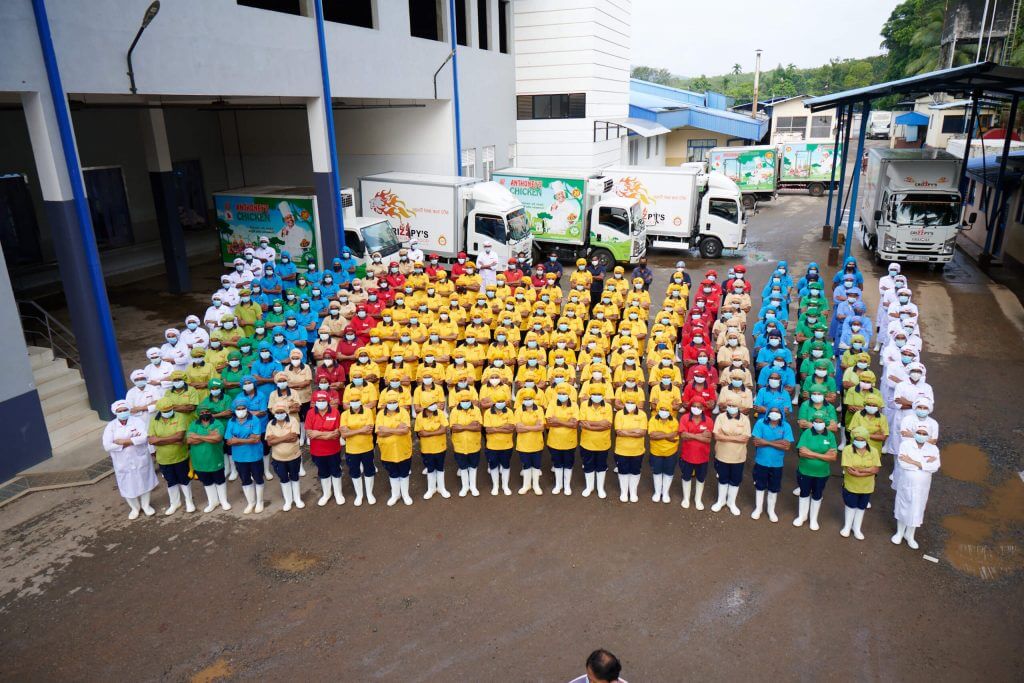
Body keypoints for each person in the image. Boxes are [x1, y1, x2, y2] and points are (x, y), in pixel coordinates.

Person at [102, 400, 158, 519]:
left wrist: (123, 442)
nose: (123, 412)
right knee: (127, 484)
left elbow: (143, 438)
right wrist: (131, 442)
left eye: (124, 410)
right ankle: (134, 508)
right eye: (120, 411)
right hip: (122, 462)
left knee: (144, 481)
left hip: (140, 458)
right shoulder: (111, 426)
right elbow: (107, 445)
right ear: (115, 412)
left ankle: (146, 505)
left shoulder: (137, 421)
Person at [892, 425, 941, 549]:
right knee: (903, 506)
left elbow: (935, 467)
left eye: (924, 433)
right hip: (906, 484)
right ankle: (899, 532)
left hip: (922, 487)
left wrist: (913, 461)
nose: (921, 435)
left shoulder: (933, 449)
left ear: (929, 435)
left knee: (917, 508)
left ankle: (910, 535)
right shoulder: (906, 445)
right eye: (919, 432)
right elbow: (903, 463)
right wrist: (924, 465)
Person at [147, 396, 193, 515]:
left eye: (169, 410)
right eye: (165, 411)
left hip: (180, 456)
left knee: (184, 479)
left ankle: (189, 501)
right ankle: (175, 503)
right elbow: (151, 440)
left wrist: (160, 440)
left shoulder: (179, 417)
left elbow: (180, 437)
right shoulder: (153, 420)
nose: (168, 413)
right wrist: (172, 440)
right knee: (171, 481)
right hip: (163, 459)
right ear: (159, 411)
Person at [793, 410, 837, 531]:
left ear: (825, 423)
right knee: (804, 493)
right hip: (805, 471)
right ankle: (802, 516)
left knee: (817, 495)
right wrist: (823, 456)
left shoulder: (830, 435)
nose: (818, 423)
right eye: (816, 421)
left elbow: (833, 457)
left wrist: (811, 453)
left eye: (821, 421)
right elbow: (802, 452)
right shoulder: (807, 433)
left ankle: (813, 519)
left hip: (822, 473)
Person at [750, 407, 793, 522]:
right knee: (760, 486)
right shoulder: (760, 423)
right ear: (768, 413)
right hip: (761, 461)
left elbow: (787, 446)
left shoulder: (786, 426)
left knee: (773, 488)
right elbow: (756, 442)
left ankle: (771, 510)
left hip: (777, 464)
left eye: (777, 412)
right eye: (772, 411)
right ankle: (758, 509)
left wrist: (766, 442)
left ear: (781, 414)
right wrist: (778, 442)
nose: (774, 414)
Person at [224, 396, 266, 514]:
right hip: (239, 457)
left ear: (247, 408)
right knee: (245, 480)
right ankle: (251, 502)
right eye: (238, 408)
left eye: (243, 408)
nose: (241, 410)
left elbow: (256, 439)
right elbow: (228, 441)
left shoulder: (254, 420)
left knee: (258, 478)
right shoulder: (231, 422)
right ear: (235, 409)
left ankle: (260, 502)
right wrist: (248, 439)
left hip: (254, 455)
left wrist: (237, 440)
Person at [186, 405, 231, 513]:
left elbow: (217, 438)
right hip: (199, 461)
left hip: (215, 458)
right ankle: (213, 502)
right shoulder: (193, 424)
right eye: (201, 413)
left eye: (206, 412)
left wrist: (197, 436)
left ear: (210, 413)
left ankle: (223, 501)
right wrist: (208, 436)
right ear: (198, 414)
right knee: (207, 482)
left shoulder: (217, 423)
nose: (204, 414)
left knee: (220, 480)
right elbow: (189, 441)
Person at [839, 426, 881, 540]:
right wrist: (868, 470)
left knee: (861, 507)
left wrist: (860, 472)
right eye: (857, 439)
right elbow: (850, 470)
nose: (859, 442)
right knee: (850, 505)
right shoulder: (847, 450)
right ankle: (847, 526)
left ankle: (857, 528)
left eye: (862, 440)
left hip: (867, 487)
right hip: (851, 485)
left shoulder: (874, 451)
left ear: (867, 439)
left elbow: (876, 469)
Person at [711, 396, 751, 516]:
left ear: (739, 407)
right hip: (722, 454)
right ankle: (721, 501)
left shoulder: (745, 419)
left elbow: (745, 439)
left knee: (735, 480)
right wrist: (736, 438)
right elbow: (717, 436)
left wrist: (726, 436)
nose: (732, 408)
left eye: (734, 406)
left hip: (738, 456)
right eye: (730, 406)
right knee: (722, 478)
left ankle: (731, 502)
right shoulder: (720, 417)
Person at [306, 390, 344, 506]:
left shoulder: (335, 413)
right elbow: (309, 433)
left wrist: (318, 433)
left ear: (328, 401)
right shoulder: (310, 413)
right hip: (317, 451)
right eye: (318, 401)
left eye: (323, 400)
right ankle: (327, 493)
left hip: (333, 449)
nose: (321, 402)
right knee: (323, 472)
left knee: (336, 471)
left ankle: (338, 493)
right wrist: (327, 435)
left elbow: (337, 433)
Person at [339, 396, 378, 506]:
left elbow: (369, 431)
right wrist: (361, 429)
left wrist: (351, 431)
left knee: (369, 470)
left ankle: (369, 494)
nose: (355, 403)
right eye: (352, 401)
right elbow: (344, 434)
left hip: (367, 448)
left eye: (357, 400)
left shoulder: (368, 411)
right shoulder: (344, 414)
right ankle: (359, 495)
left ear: (361, 401)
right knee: (354, 472)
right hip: (352, 449)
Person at [265, 401, 304, 511]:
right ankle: (288, 500)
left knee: (295, 477)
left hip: (294, 456)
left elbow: (294, 438)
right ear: (273, 412)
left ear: (286, 411)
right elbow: (269, 442)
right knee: (284, 479)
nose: (280, 413)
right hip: (278, 458)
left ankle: (297, 499)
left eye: (282, 411)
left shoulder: (293, 420)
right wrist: (285, 437)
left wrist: (276, 439)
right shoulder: (270, 424)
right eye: (277, 412)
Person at [375, 399, 414, 506]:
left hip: (403, 449)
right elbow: (379, 433)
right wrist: (397, 429)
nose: (392, 404)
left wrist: (387, 429)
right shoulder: (380, 415)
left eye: (394, 402)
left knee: (404, 473)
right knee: (393, 474)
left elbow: (405, 430)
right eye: (390, 402)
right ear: (386, 403)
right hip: (388, 451)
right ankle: (395, 495)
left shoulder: (404, 412)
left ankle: (405, 494)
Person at [678, 403, 713, 509]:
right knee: (686, 476)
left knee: (701, 478)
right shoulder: (684, 418)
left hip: (703, 456)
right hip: (687, 454)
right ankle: (686, 498)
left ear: (703, 408)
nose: (696, 409)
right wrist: (700, 435)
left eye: (699, 407)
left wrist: (691, 435)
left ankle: (698, 499)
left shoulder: (709, 420)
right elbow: (683, 436)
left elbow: (708, 439)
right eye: (694, 406)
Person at [579, 391, 613, 498]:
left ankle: (600, 488)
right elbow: (582, 423)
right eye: (594, 394)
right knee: (588, 464)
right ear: (590, 395)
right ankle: (589, 487)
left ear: (603, 396)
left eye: (599, 394)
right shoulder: (584, 405)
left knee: (601, 465)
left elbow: (608, 425)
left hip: (603, 442)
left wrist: (590, 425)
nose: (596, 396)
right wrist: (599, 424)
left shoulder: (607, 407)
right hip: (587, 442)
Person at [546, 387, 579, 495]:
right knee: (557, 464)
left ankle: (567, 485)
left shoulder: (574, 405)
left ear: (569, 394)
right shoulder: (552, 404)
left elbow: (574, 425)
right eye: (559, 393)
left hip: (569, 441)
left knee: (568, 464)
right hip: (554, 440)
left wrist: (558, 420)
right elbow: (549, 422)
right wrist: (566, 422)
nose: (561, 395)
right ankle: (558, 485)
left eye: (564, 393)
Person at [613, 401, 647, 503]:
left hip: (638, 450)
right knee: (623, 470)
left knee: (635, 470)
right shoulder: (619, 414)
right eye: (628, 402)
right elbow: (618, 432)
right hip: (622, 449)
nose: (630, 403)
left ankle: (633, 492)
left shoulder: (642, 414)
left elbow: (642, 433)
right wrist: (635, 431)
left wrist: (626, 431)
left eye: (632, 402)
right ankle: (623, 492)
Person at [416, 400, 451, 500]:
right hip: (427, 448)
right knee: (430, 469)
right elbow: (420, 433)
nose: (434, 406)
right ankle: (431, 489)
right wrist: (437, 431)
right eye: (431, 404)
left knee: (440, 467)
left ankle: (441, 488)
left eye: (434, 404)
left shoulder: (440, 413)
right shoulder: (419, 417)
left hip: (440, 446)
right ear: (425, 406)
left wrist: (428, 433)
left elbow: (444, 429)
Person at [450, 395, 483, 497]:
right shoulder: (454, 411)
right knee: (463, 467)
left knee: (473, 466)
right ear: (459, 401)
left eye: (467, 400)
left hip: (474, 443)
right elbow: (454, 428)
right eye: (463, 401)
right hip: (459, 445)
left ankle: (473, 486)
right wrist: (470, 426)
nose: (465, 402)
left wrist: (462, 427)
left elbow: (478, 427)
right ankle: (465, 487)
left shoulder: (476, 410)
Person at [514, 389, 545, 495]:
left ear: (533, 399)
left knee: (536, 465)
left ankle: (536, 485)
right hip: (523, 444)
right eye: (525, 399)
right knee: (526, 465)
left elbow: (541, 428)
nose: (528, 401)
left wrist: (525, 427)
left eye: (530, 399)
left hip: (537, 443)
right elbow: (518, 429)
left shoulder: (539, 409)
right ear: (522, 400)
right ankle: (526, 485)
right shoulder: (518, 410)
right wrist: (533, 426)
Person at [483, 399, 516, 495]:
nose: (501, 403)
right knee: (493, 466)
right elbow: (488, 430)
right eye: (498, 401)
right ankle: (495, 486)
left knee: (506, 465)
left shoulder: (509, 412)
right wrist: (503, 427)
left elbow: (510, 429)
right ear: (494, 402)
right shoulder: (488, 412)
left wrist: (495, 428)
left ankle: (505, 486)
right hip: (492, 446)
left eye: (502, 401)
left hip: (507, 445)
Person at [648, 405, 679, 504]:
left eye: (666, 410)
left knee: (669, 472)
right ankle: (657, 492)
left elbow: (674, 438)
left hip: (671, 451)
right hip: (656, 451)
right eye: (662, 409)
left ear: (670, 411)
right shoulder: (653, 420)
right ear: (658, 410)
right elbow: (652, 435)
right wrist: (667, 435)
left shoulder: (674, 421)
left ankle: (665, 492)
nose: (664, 412)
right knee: (656, 471)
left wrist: (660, 434)